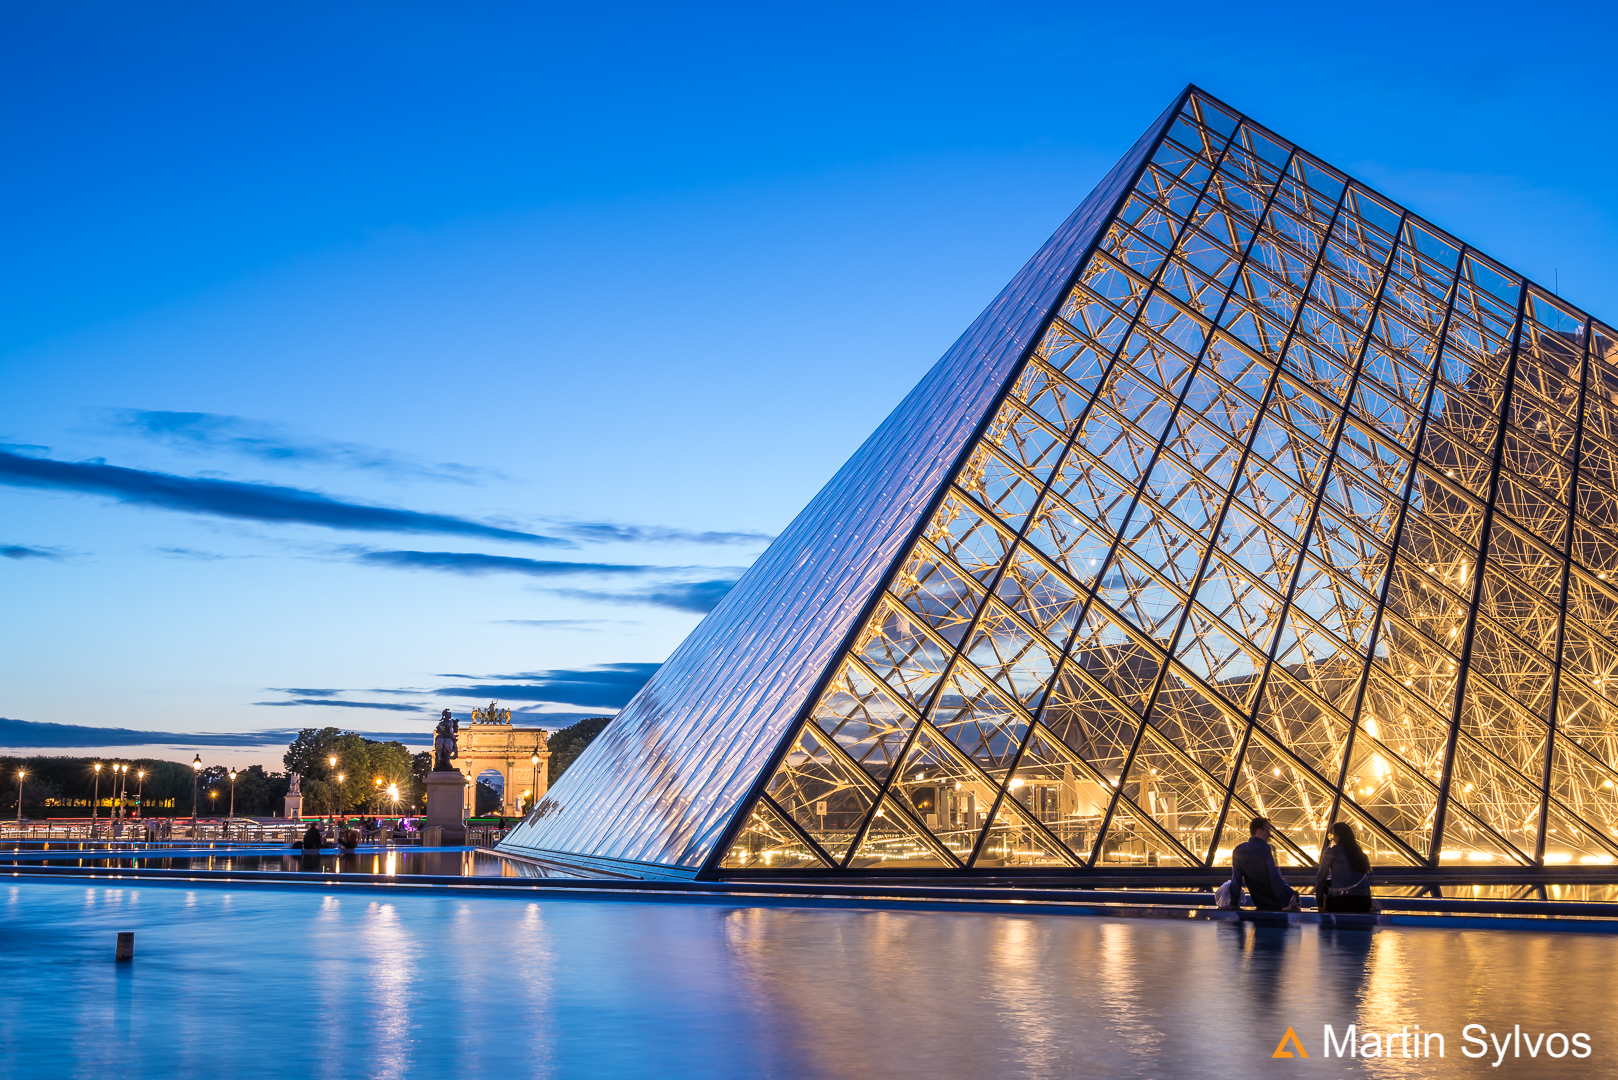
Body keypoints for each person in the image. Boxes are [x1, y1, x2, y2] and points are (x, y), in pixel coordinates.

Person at [1230, 816, 1301, 911]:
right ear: (1259, 831)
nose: (1270, 835)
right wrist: (1284, 904)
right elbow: (1275, 878)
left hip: (1261, 902)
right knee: (1297, 903)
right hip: (1282, 898)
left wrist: (1233, 903)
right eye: (1268, 831)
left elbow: (1236, 880)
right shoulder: (1266, 848)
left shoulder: (1238, 850)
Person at [1315, 821, 1373, 913]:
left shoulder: (1331, 852)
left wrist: (1319, 903)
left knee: (1327, 885)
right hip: (1363, 902)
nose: (1332, 839)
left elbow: (1321, 878)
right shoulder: (1360, 854)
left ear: (1338, 836)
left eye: (1333, 835)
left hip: (1339, 902)